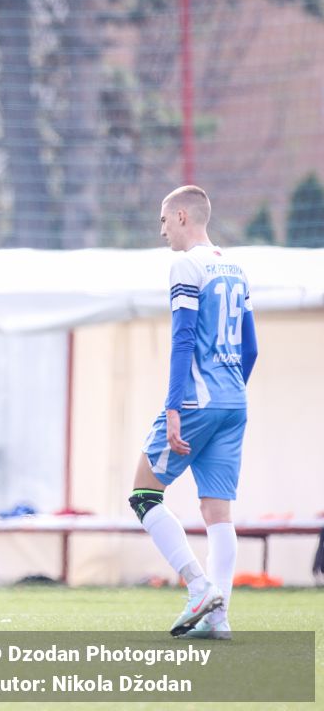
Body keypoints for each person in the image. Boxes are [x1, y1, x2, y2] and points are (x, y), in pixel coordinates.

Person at [129, 185, 258, 640]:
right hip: (234, 401)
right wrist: (231, 389)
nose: (161, 231)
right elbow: (251, 345)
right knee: (217, 511)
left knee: (144, 495)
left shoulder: (185, 265)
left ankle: (198, 585)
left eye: (164, 221)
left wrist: (175, 406)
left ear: (182, 216)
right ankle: (217, 619)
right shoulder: (235, 267)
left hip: (196, 401)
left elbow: (183, 339)